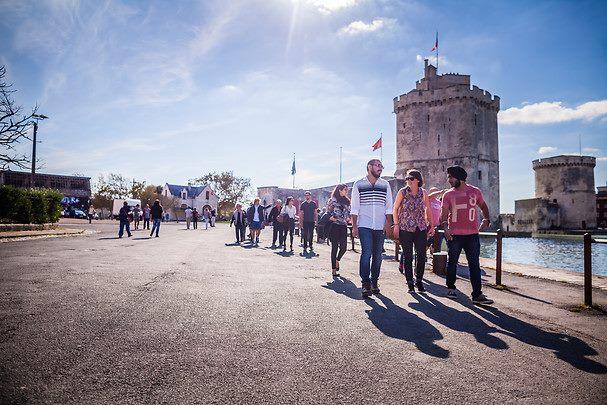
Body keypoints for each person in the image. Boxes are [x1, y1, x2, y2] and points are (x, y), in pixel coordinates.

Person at [441, 165, 494, 305]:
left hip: (472, 235)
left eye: (451, 177)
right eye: (448, 177)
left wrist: (486, 219)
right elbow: (444, 214)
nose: (449, 180)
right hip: (454, 235)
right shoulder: (448, 195)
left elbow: (483, 206)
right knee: (452, 263)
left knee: (474, 265)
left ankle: (477, 295)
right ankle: (451, 288)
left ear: (459, 178)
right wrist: (445, 228)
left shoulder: (475, 192)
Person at [351, 159, 393, 298]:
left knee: (378, 256)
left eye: (381, 166)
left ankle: (374, 282)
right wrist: (354, 226)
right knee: (366, 253)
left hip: (380, 225)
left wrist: (388, 224)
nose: (380, 168)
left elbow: (389, 206)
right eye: (378, 165)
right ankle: (365, 283)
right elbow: (355, 207)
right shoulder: (359, 184)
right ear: (370, 167)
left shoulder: (385, 185)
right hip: (364, 224)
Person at [392, 169, 434, 293]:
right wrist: (396, 225)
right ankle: (410, 282)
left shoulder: (423, 192)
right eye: (407, 179)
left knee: (421, 255)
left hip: (420, 227)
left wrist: (431, 225)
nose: (408, 181)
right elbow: (395, 209)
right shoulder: (402, 192)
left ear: (417, 180)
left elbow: (428, 208)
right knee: (408, 256)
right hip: (405, 228)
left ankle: (419, 280)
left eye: (410, 178)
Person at [327, 184, 351, 277]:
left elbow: (349, 212)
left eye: (347, 190)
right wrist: (330, 218)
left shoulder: (347, 201)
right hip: (334, 226)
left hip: (343, 226)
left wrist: (348, 218)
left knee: (344, 247)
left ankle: (337, 260)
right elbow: (328, 212)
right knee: (334, 247)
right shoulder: (332, 200)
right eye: (345, 190)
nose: (346, 191)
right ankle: (333, 270)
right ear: (340, 190)